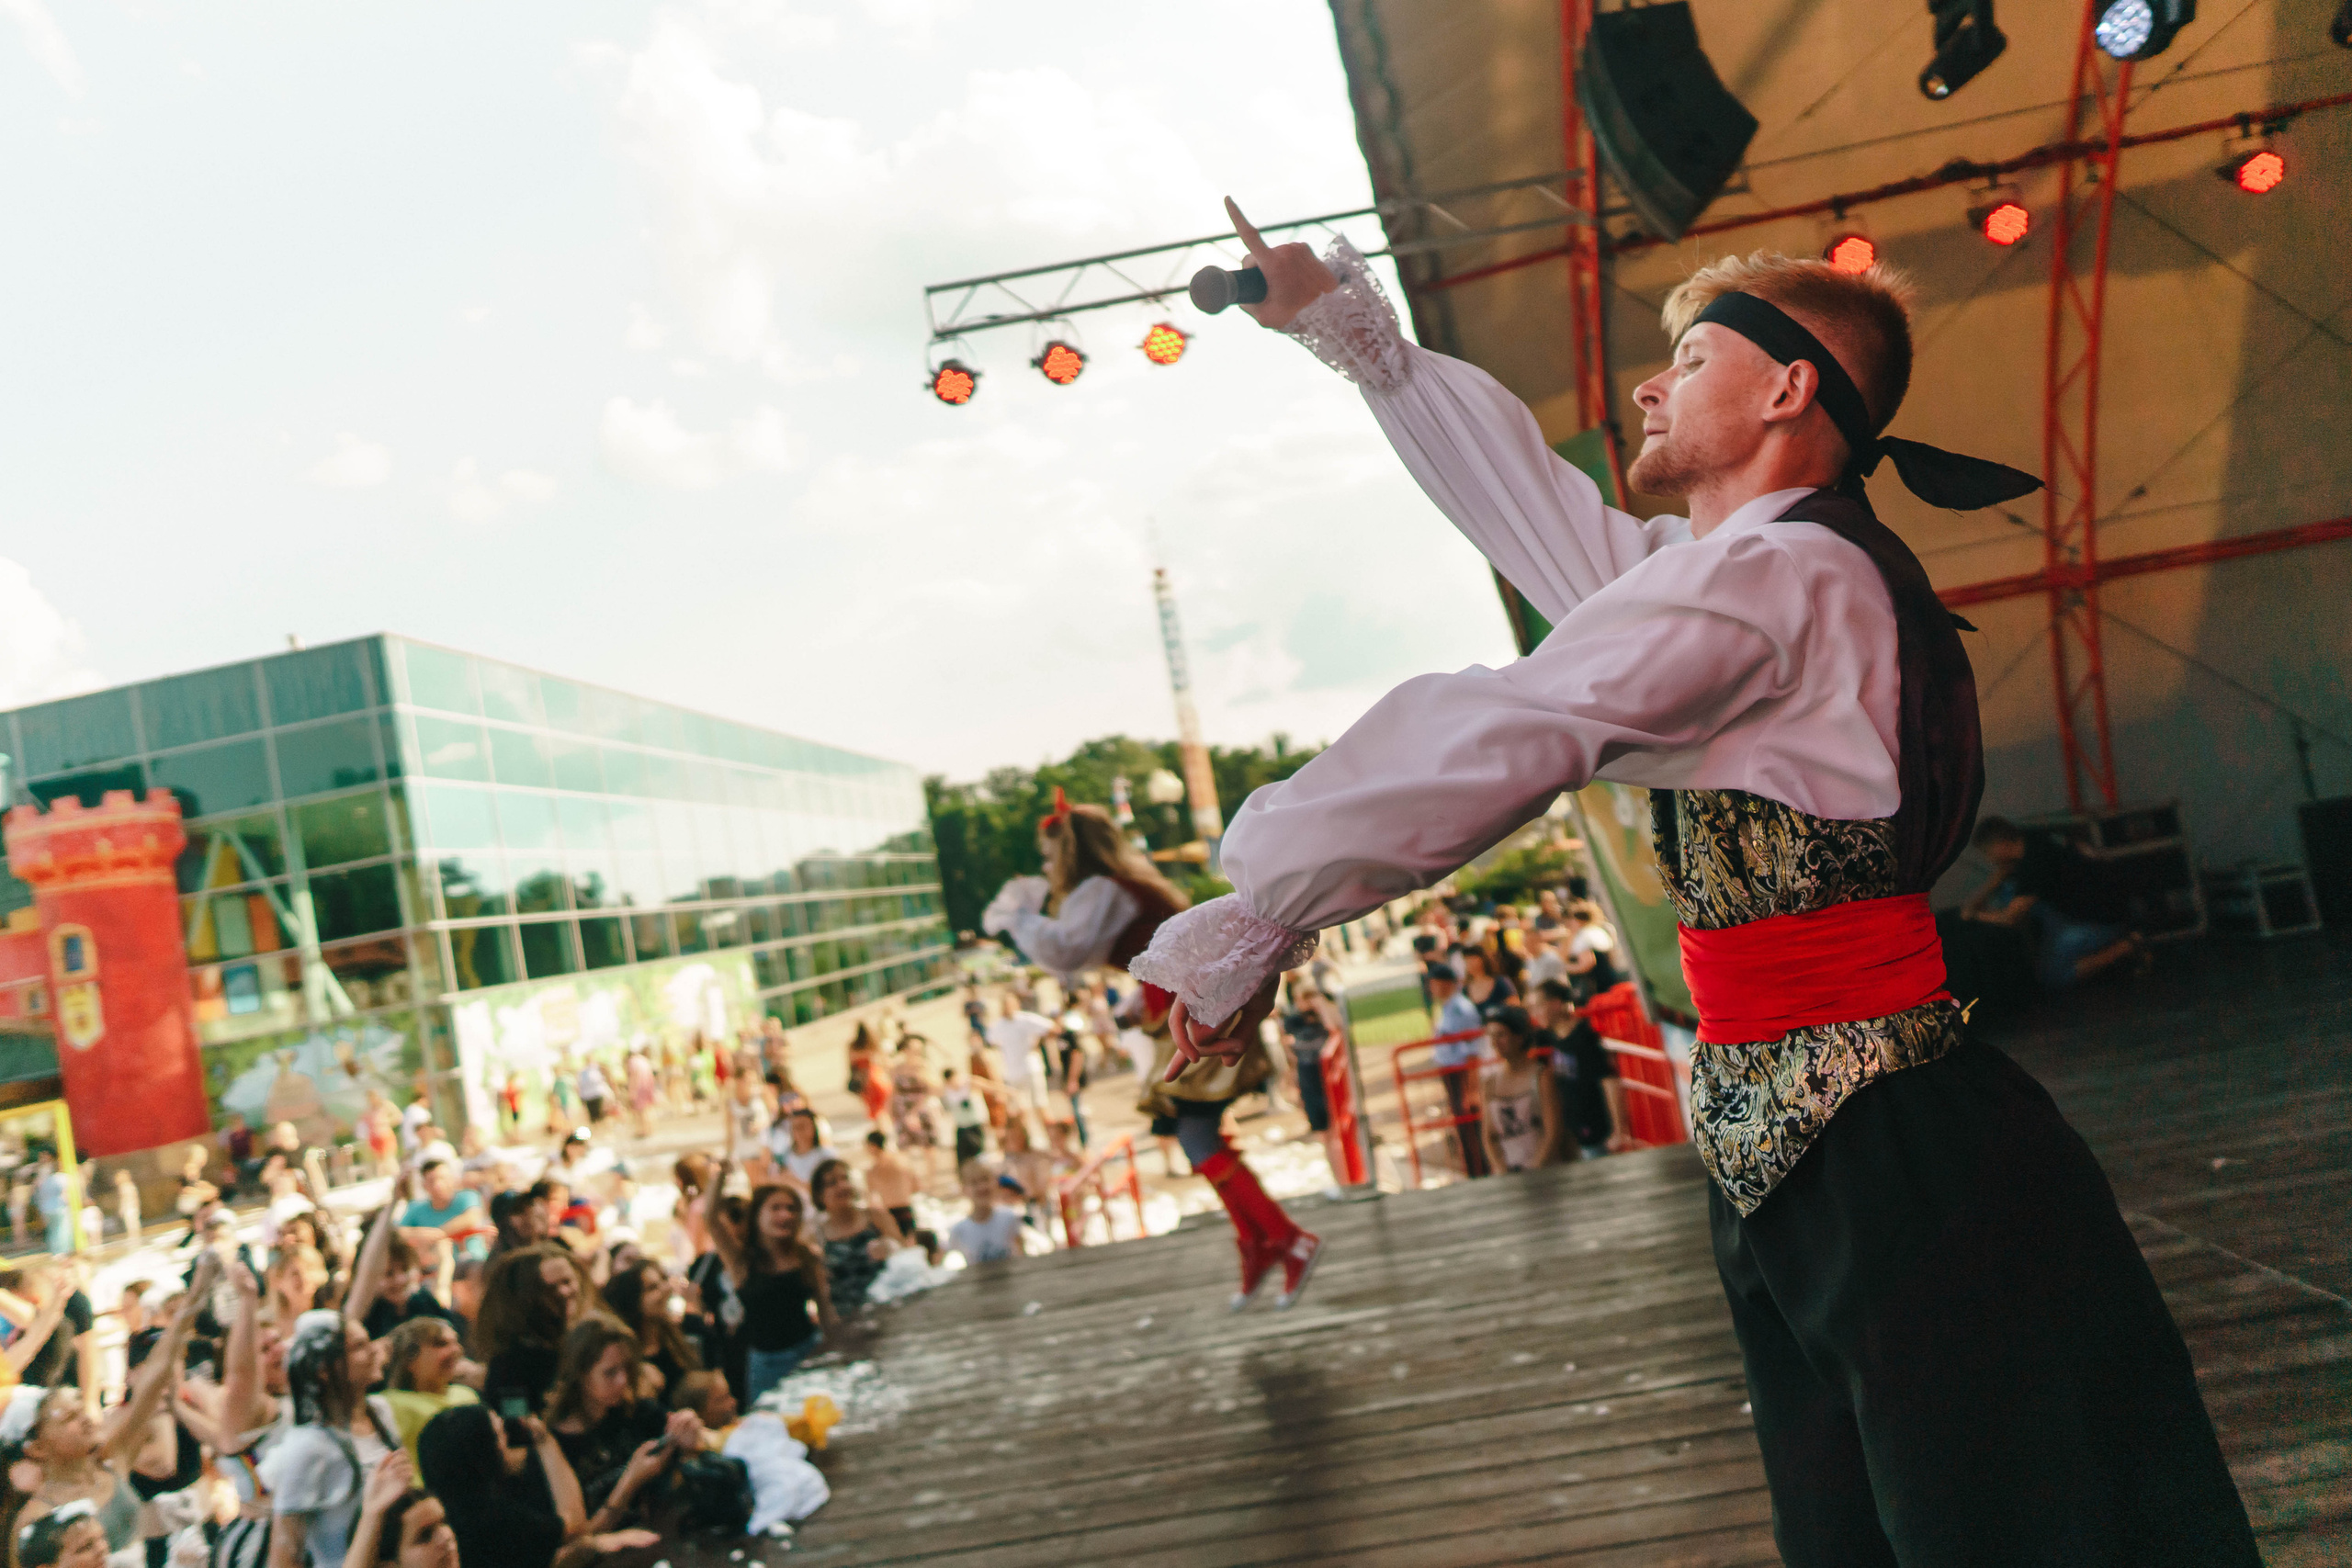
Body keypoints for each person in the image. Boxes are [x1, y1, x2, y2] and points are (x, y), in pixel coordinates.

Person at [1134, 213, 2257, 1562]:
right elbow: (1543, 527)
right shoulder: (1743, 573)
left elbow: (1535, 711)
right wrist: (1364, 344)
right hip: (1812, 1143)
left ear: (1789, 390)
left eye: (1691, 355)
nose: (1649, 387)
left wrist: (1265, 904)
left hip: (1895, 1151)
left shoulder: (1784, 578)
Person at [989, 793, 1320, 1310]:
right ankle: (1263, 1241)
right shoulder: (1123, 889)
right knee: (1198, 1136)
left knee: (1195, 1136)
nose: (1046, 866)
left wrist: (1019, 917)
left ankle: (1282, 1239)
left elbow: (1064, 953)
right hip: (1187, 1008)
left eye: (1050, 855)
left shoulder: (1103, 891)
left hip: (1191, 1014)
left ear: (1070, 853)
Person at [415, 1402, 656, 1568]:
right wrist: (545, 1442)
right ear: (484, 1455)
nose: (507, 1441)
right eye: (500, 1435)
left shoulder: (448, 1510)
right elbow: (574, 1526)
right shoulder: (495, 1518)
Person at [541, 1318, 703, 1527]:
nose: (623, 1380)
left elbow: (678, 1487)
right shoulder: (555, 1445)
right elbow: (579, 1542)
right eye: (610, 1372)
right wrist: (630, 1480)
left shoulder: (640, 1413)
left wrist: (689, 1445)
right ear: (580, 1375)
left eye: (626, 1368)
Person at [1962, 817, 2146, 989]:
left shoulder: (2033, 866)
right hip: (2110, 899)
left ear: (2000, 846)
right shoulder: (2033, 839)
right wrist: (1997, 879)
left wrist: (1975, 915)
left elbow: (2010, 918)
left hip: (2103, 919)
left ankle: (2128, 945)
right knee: (2008, 892)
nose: (1988, 858)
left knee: (2051, 975)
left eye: (1987, 852)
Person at [702, 1164, 832, 1407]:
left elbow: (825, 1310)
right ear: (757, 1215)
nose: (786, 1215)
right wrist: (720, 1174)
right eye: (776, 1208)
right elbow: (710, 1217)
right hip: (766, 1363)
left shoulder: (805, 1256)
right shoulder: (741, 1261)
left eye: (792, 1209)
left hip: (809, 1350)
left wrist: (838, 1347)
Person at [1528, 980, 1634, 1160]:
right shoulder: (1549, 1037)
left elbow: (1608, 1081)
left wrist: (1618, 1129)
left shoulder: (1585, 1036)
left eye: (1538, 1006)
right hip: (1572, 1130)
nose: (1535, 1014)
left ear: (1556, 1003)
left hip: (1596, 1126)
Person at [474, 1247, 589, 1411]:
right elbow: (515, 1421)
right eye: (549, 1288)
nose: (563, 1292)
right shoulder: (510, 1365)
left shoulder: (582, 1338)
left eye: (567, 1281)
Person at [1276, 973, 1349, 1191]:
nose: (1306, 1003)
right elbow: (1289, 1057)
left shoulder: (1324, 1017)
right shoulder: (1292, 1021)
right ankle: (1341, 1179)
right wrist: (1292, 1086)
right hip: (1309, 1081)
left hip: (1329, 1079)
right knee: (1325, 1135)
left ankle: (1348, 1177)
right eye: (1303, 998)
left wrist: (1321, 1007)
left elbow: (1337, 1028)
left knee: (1338, 1132)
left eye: (1310, 997)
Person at [1422, 964, 1491, 1179]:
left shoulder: (1461, 1009)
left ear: (1445, 983)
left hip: (1462, 1073)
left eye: (1434, 983)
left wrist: (1471, 1088)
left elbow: (1472, 1048)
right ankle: (1474, 1169)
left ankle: (1480, 1170)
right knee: (1463, 1125)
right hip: (1452, 1072)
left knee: (1470, 1124)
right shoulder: (1448, 1007)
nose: (1431, 988)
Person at [379, 1319, 479, 1470]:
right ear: (409, 1359)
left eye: (456, 1342)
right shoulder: (391, 1403)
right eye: (441, 1344)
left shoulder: (466, 1394)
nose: (457, 1350)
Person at [1477, 1007, 1566, 1174]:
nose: (1494, 1043)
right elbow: (1489, 1136)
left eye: (1501, 1035)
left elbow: (1553, 1131)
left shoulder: (1541, 1077)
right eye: (1491, 1036)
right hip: (1508, 1172)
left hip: (1544, 1170)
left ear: (1519, 1037)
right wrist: (1500, 1168)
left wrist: (1535, 1169)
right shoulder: (1489, 1083)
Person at [807, 1160, 902, 1314]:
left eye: (845, 1179)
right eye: (832, 1183)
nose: (842, 1186)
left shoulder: (876, 1218)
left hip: (891, 1307)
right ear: (819, 1195)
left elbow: (906, 1255)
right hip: (848, 1317)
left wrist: (890, 1246)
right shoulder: (815, 1237)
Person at [600, 1262, 700, 1402]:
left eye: (664, 1280)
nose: (665, 1289)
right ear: (633, 1302)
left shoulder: (680, 1331)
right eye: (652, 1288)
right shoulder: (624, 1353)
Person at [944, 1165, 1032, 1267]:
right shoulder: (959, 1230)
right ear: (964, 1189)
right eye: (974, 1183)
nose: (981, 1187)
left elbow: (1022, 1254)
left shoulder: (1009, 1217)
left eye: (985, 1180)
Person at [861, 1132, 920, 1244]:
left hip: (889, 1214)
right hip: (906, 1209)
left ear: (872, 1146)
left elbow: (871, 1199)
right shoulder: (903, 1160)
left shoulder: (872, 1171)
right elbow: (916, 1186)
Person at [767, 1110, 838, 1193]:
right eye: (795, 1127)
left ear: (813, 1128)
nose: (799, 1131)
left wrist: (795, 1181)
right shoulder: (783, 1158)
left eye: (803, 1126)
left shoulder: (827, 1155)